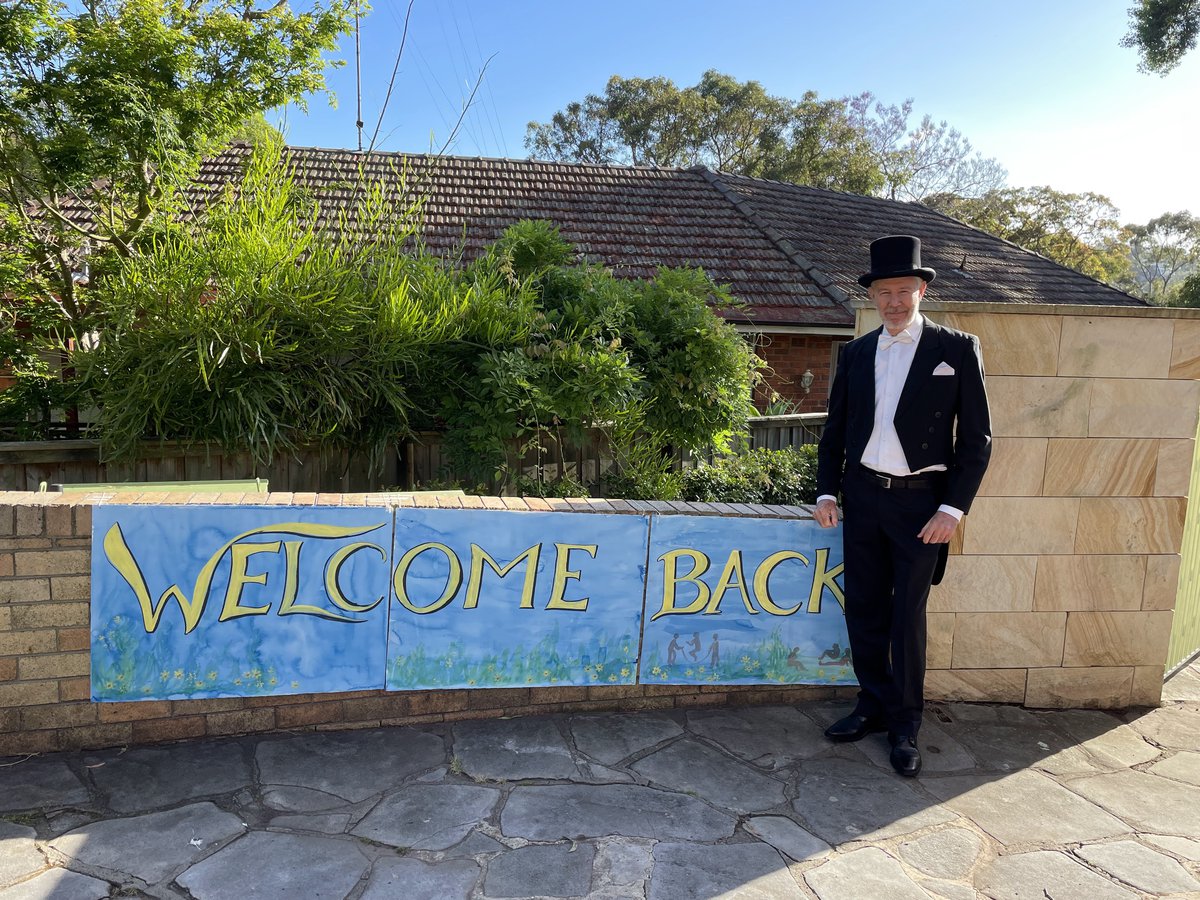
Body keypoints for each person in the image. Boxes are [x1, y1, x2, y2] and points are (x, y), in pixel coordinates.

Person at [814, 235, 991, 777]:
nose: (893, 301)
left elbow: (977, 440)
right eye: (884, 292)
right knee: (864, 607)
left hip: (921, 506)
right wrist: (826, 491)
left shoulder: (956, 349)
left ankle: (906, 723)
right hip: (863, 497)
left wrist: (953, 510)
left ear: (921, 291)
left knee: (907, 617)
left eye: (903, 290)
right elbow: (835, 431)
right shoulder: (857, 352)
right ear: (872, 296)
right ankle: (871, 703)